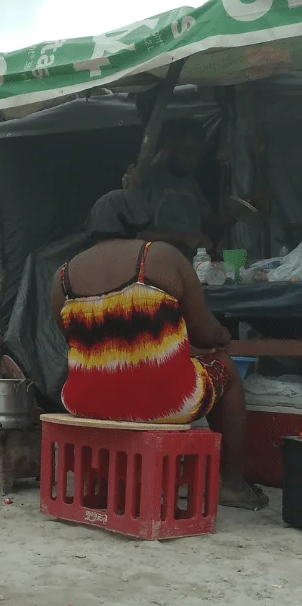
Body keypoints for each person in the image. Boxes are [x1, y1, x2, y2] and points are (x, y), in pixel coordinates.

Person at [49, 190, 267, 510]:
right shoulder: (159, 256)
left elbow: (72, 337)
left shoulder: (62, 276)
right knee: (226, 368)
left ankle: (113, 480)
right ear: (138, 222)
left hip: (85, 403)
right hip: (165, 403)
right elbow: (203, 332)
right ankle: (233, 485)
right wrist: (221, 335)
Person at [124, 121, 238, 254]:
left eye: (198, 153)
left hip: (189, 265)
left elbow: (215, 225)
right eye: (188, 151)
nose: (193, 159)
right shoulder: (145, 180)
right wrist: (184, 237)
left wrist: (244, 208)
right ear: (171, 146)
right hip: (156, 264)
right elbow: (137, 236)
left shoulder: (190, 182)